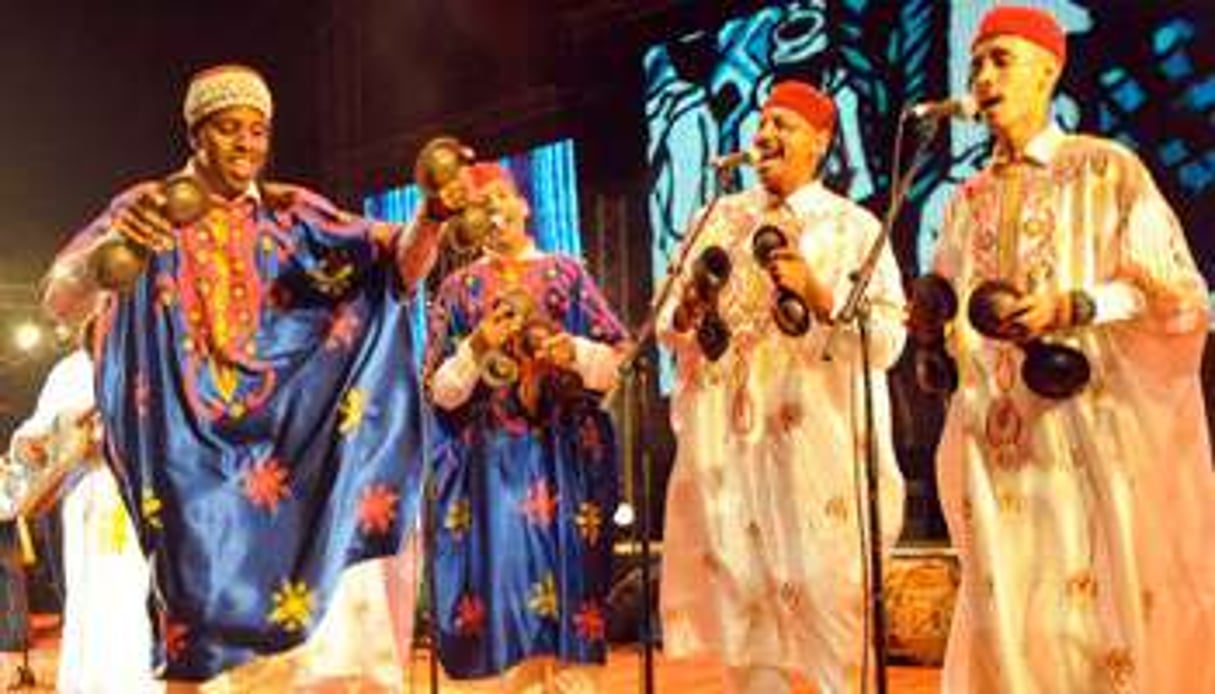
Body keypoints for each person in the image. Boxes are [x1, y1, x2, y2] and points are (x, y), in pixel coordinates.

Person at [40, 64, 445, 688]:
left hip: (289, 449)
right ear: (197, 134)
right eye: (231, 129)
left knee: (309, 638)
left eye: (259, 131)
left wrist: (434, 216)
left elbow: (400, 266)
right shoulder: (145, 209)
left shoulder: (293, 212)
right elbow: (58, 299)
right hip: (184, 458)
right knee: (196, 624)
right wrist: (110, 255)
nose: (248, 145)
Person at [929, 7, 1215, 692]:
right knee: (1003, 621)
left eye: (1001, 59)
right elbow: (948, 301)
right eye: (975, 65)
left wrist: (1074, 306)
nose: (983, 77)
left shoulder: (1104, 169)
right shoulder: (963, 200)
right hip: (992, 444)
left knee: (1081, 628)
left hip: (1079, 442)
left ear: (1048, 69)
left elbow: (1178, 295)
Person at [657, 80, 907, 694]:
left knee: (833, 625)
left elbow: (888, 340)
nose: (765, 135)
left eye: (784, 125)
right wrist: (687, 310)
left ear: (820, 143)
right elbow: (664, 325)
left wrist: (820, 295)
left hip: (815, 456)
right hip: (732, 453)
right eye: (762, 123)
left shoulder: (852, 226)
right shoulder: (716, 219)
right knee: (747, 633)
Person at [423, 161, 629, 693]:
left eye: (498, 199)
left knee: (567, 610)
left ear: (523, 203)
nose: (491, 212)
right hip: (490, 473)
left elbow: (617, 360)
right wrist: (477, 346)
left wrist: (574, 352)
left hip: (565, 466)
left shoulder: (566, 274)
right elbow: (439, 390)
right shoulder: (457, 288)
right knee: (501, 606)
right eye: (477, 207)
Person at [6, 342, 159, 693]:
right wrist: (37, 445)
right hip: (91, 506)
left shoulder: (169, 347)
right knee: (101, 608)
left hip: (158, 499)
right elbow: (35, 437)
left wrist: (109, 441)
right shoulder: (71, 370)